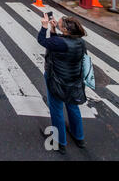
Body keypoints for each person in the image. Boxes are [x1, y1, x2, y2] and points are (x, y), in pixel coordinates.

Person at [38, 14, 87, 155]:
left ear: (65, 30)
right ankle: (79, 138)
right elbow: (59, 44)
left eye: (59, 24)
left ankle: (60, 142)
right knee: (73, 107)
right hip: (74, 80)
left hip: (57, 79)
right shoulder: (80, 42)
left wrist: (44, 26)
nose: (57, 23)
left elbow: (42, 40)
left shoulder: (60, 43)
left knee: (57, 109)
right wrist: (53, 29)